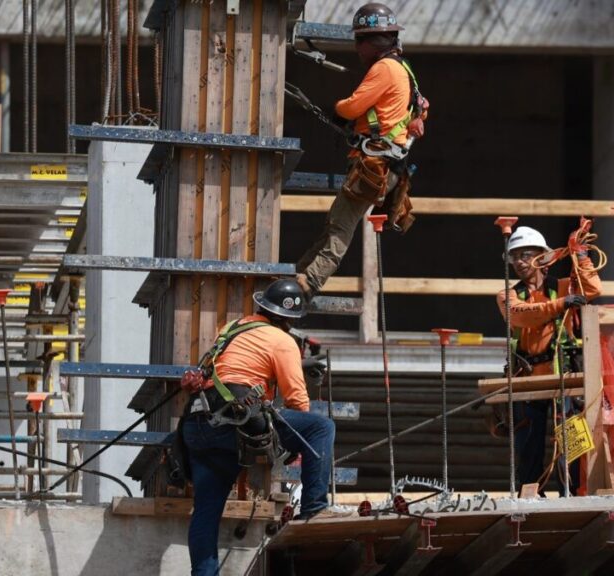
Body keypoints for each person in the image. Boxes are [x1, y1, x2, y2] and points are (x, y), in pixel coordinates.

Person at [180, 279, 336, 575]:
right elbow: (298, 402)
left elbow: (237, 368)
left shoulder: (231, 329)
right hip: (235, 422)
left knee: (206, 512)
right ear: (288, 320)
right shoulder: (283, 342)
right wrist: (292, 443)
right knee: (320, 428)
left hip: (200, 423)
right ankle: (315, 507)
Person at [296, 2, 428, 298]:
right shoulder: (405, 69)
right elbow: (421, 109)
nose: (356, 47)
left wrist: (339, 110)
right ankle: (301, 273)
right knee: (336, 221)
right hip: (388, 167)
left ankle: (308, 282)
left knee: (340, 225)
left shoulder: (384, 68)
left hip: (374, 165)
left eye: (359, 40)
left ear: (374, 41)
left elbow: (354, 105)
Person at [496, 221, 602, 495]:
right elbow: (521, 314)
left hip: (564, 375)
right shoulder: (508, 295)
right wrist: (561, 304)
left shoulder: (565, 286)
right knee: (528, 445)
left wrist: (580, 254)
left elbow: (591, 290)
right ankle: (529, 496)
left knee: (571, 442)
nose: (519, 261)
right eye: (515, 256)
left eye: (526, 254)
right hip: (528, 380)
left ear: (543, 258)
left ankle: (574, 493)